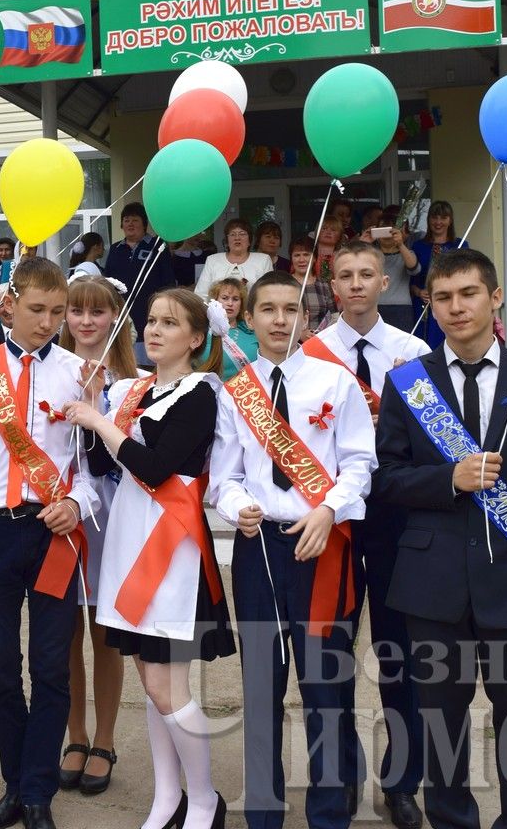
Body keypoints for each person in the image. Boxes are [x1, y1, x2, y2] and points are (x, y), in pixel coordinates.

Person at [372, 248, 507, 829]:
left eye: (468, 294)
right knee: (441, 725)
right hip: (432, 587)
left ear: (496, 298)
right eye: (443, 298)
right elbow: (385, 480)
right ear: (430, 305)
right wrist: (448, 479)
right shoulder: (408, 384)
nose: (457, 308)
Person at [213, 270, 381, 829]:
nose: (280, 320)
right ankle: (263, 813)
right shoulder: (236, 393)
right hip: (260, 552)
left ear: (306, 318)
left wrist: (329, 508)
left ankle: (329, 814)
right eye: (268, 310)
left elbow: (361, 462)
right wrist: (239, 506)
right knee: (261, 689)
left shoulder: (335, 383)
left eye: (290, 310)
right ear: (250, 318)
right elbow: (224, 477)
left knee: (325, 689)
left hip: (323, 547)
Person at [64, 287, 232, 829]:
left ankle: (204, 799)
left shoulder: (201, 393)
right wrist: (93, 411)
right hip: (129, 540)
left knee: (167, 686)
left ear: (197, 338)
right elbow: (104, 462)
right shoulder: (132, 389)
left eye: (169, 322)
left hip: (171, 548)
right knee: (148, 680)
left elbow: (156, 468)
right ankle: (167, 797)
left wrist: (99, 421)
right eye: (150, 320)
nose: (154, 330)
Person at [0, 258, 98, 829]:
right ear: (10, 304)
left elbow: (89, 469)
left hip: (54, 533)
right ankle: (17, 782)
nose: (48, 322)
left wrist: (76, 504)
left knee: (51, 668)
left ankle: (36, 794)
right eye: (37, 310)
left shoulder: (79, 374)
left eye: (58, 313)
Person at [304, 242, 430, 829]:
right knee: (331, 656)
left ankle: (402, 779)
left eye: (366, 276)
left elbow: (436, 440)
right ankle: (342, 773)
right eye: (344, 276)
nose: (355, 285)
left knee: (400, 654)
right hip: (334, 522)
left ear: (384, 282)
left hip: (400, 520)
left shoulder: (414, 353)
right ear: (333, 286)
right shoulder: (310, 354)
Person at [56, 273, 138, 797]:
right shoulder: (49, 372)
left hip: (114, 512)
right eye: (76, 312)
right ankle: (75, 735)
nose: (86, 322)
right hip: (62, 513)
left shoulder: (137, 379)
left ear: (114, 317)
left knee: (105, 631)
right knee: (63, 631)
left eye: (97, 312)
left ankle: (104, 738)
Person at [105, 202, 177, 365]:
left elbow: (168, 282)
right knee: (123, 364)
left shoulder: (157, 246)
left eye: (135, 220)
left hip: (150, 314)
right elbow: (107, 281)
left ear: (144, 223)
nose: (130, 224)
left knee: (150, 365)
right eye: (126, 220)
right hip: (122, 316)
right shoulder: (116, 249)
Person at [409, 201, 468, 349]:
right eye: (434, 217)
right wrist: (418, 292)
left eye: (443, 217)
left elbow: (464, 277)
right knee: (420, 345)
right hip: (422, 305)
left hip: (449, 303)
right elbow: (410, 280)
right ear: (429, 220)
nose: (438, 222)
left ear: (450, 220)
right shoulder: (418, 246)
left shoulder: (460, 246)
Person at [194, 219, 274, 298]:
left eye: (242, 234)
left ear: (249, 240)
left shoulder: (263, 260)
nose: (237, 238)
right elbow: (201, 294)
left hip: (252, 310)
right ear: (227, 241)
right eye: (232, 234)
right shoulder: (212, 260)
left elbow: (270, 293)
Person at [205, 277, 258, 380]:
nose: (230, 303)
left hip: (248, 392)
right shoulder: (201, 332)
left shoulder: (252, 331)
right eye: (225, 298)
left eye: (235, 299)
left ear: (241, 303)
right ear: (215, 301)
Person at [376, 225, 421, 332]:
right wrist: (363, 243)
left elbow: (415, 269)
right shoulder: (370, 255)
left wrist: (400, 244)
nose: (388, 235)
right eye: (383, 231)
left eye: (391, 232)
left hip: (401, 308)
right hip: (374, 306)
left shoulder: (406, 253)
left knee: (401, 346)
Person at [289, 239, 335, 337]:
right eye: (297, 255)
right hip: (291, 342)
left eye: (306, 254)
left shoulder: (324, 285)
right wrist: (300, 334)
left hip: (321, 340)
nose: (301, 260)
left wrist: (323, 335)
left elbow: (334, 316)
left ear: (314, 258)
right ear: (291, 259)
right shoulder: (285, 284)